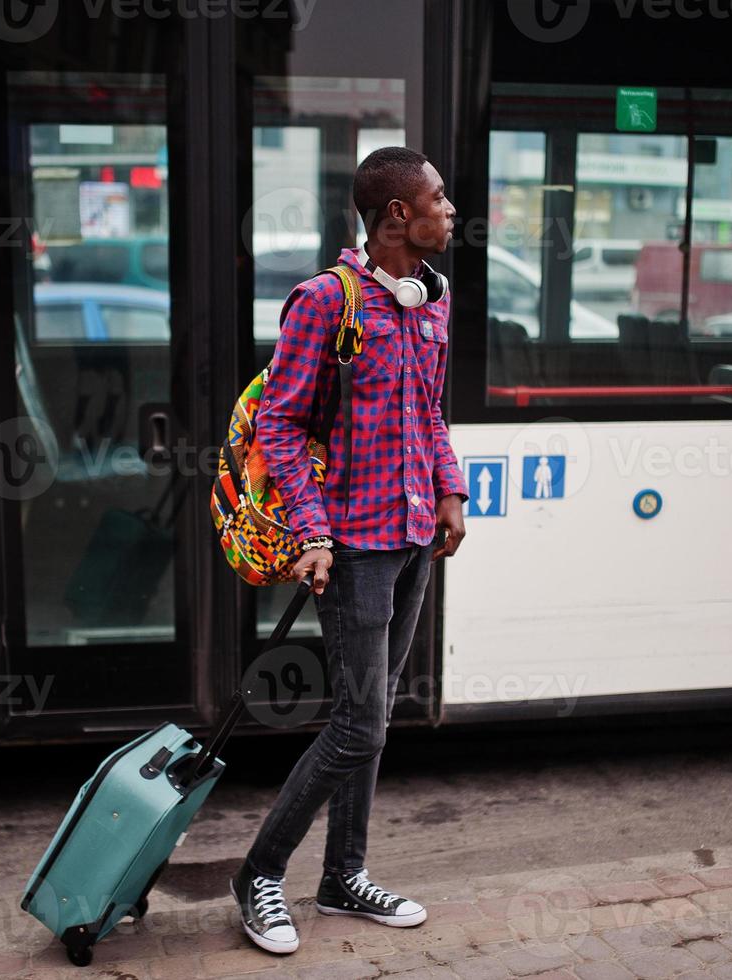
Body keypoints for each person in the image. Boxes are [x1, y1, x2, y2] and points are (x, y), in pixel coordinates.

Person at [228, 147, 469, 955]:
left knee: (370, 716)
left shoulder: (430, 301)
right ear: (396, 214)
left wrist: (448, 492)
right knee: (361, 724)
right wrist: (311, 533)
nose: (450, 209)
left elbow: (430, 412)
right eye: (439, 198)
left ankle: (342, 878)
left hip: (409, 540)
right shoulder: (324, 304)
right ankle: (258, 873)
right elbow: (281, 426)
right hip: (351, 546)